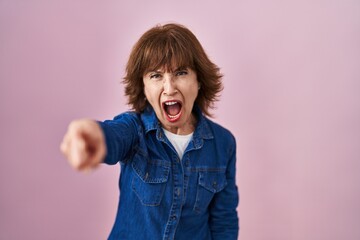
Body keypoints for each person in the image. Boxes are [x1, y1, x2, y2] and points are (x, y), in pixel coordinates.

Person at [60, 23, 239, 240]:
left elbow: (224, 220)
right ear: (144, 87)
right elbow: (112, 135)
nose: (170, 87)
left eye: (181, 72)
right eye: (156, 75)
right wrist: (93, 135)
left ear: (198, 80)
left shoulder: (223, 143)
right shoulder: (133, 131)